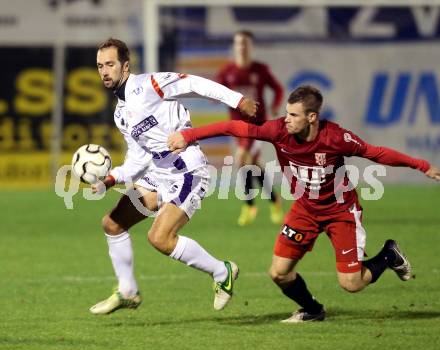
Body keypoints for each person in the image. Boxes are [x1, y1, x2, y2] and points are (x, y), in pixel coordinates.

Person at [168, 85, 440, 323]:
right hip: (304, 210)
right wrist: (190, 136)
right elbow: (233, 127)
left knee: (352, 283)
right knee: (279, 273)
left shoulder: (336, 138)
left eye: (294, 115)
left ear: (312, 117)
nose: (286, 120)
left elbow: (376, 153)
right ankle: (312, 310)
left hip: (340, 212)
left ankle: (388, 255)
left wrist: (422, 165)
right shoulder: (278, 131)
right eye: (287, 113)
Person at [89, 38, 257, 315]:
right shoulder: (121, 113)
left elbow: (192, 83)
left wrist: (236, 100)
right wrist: (109, 180)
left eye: (110, 64)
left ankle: (221, 271)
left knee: (160, 238)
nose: (104, 71)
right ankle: (128, 291)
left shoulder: (150, 84)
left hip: (188, 171)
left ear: (126, 66)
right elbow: (138, 159)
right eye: (99, 66)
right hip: (159, 173)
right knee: (112, 224)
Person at [216, 30, 284, 226]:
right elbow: (215, 91)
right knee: (252, 165)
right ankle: (274, 200)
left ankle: (249, 205)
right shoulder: (227, 72)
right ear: (234, 46)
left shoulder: (260, 70)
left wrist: (275, 105)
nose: (242, 47)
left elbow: (278, 89)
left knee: (241, 159)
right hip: (238, 127)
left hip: (257, 126)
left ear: (251, 46)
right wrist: (213, 97)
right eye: (239, 43)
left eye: (245, 43)